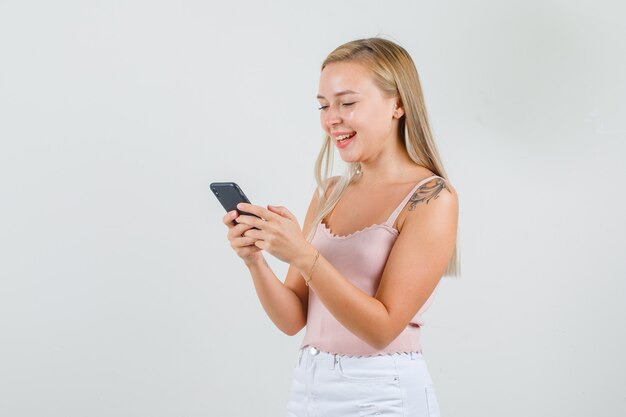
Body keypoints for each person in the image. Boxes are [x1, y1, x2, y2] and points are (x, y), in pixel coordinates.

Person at [222, 37, 459, 417]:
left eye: (347, 103)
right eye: (323, 105)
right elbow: (293, 319)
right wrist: (255, 260)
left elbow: (382, 329)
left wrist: (303, 254)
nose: (331, 118)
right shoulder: (331, 191)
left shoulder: (431, 197)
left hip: (383, 391)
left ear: (398, 104)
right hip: (309, 386)